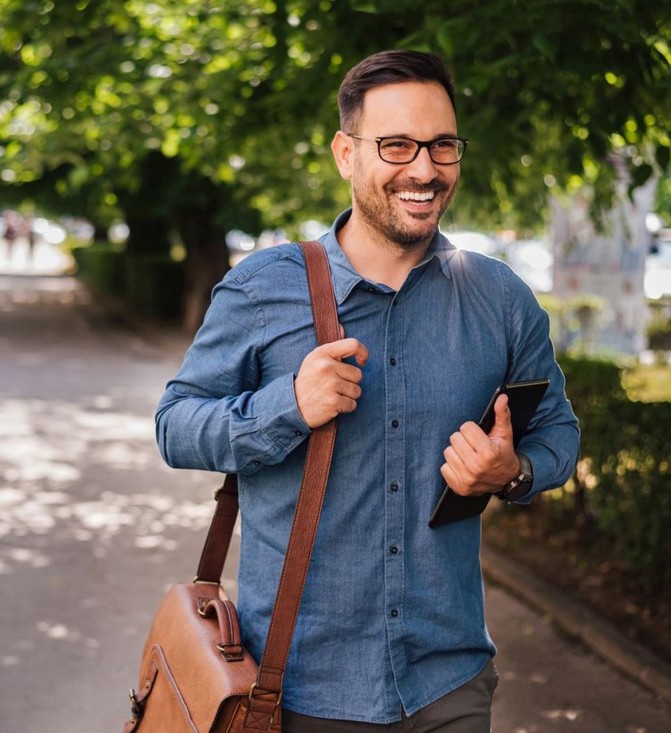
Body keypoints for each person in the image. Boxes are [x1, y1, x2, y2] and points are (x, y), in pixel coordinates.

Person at [155, 49, 580, 732]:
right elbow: (174, 426)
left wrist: (515, 469)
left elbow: (557, 430)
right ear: (345, 154)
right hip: (297, 691)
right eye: (397, 145)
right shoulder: (263, 287)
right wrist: (287, 405)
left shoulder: (500, 299)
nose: (424, 169)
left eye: (443, 146)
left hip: (449, 683)